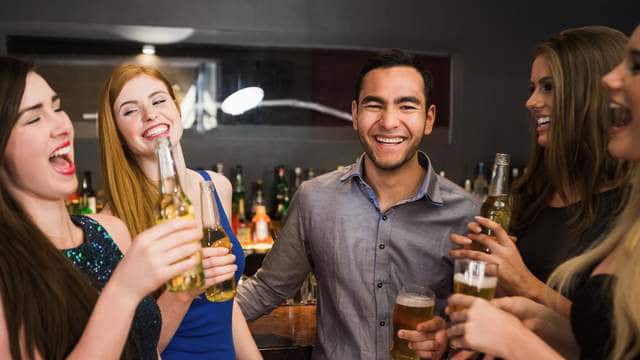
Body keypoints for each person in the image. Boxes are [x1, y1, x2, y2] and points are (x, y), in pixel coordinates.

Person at [236, 49, 480, 359]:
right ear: (354, 114)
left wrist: (448, 338)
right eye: (374, 105)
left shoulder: (467, 214)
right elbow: (266, 290)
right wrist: (179, 315)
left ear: (428, 119)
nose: (389, 121)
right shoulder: (315, 199)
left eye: (406, 106)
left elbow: (480, 325)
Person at [444, 25, 640, 360]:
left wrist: (523, 286)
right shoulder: (528, 194)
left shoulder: (625, 210)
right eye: (533, 87)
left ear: (587, 94)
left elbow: (605, 337)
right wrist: (460, 325)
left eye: (549, 87)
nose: (532, 102)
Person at [0, 56, 204, 359]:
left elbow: (147, 348)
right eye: (33, 118)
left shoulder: (111, 232)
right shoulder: (8, 272)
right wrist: (123, 290)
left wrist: (184, 290)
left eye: (56, 108)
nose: (62, 126)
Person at [97, 63, 261, 360]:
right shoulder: (112, 224)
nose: (150, 115)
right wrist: (184, 291)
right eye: (130, 111)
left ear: (177, 108)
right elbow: (134, 349)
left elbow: (225, 303)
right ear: (118, 133)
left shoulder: (216, 187)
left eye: (159, 100)